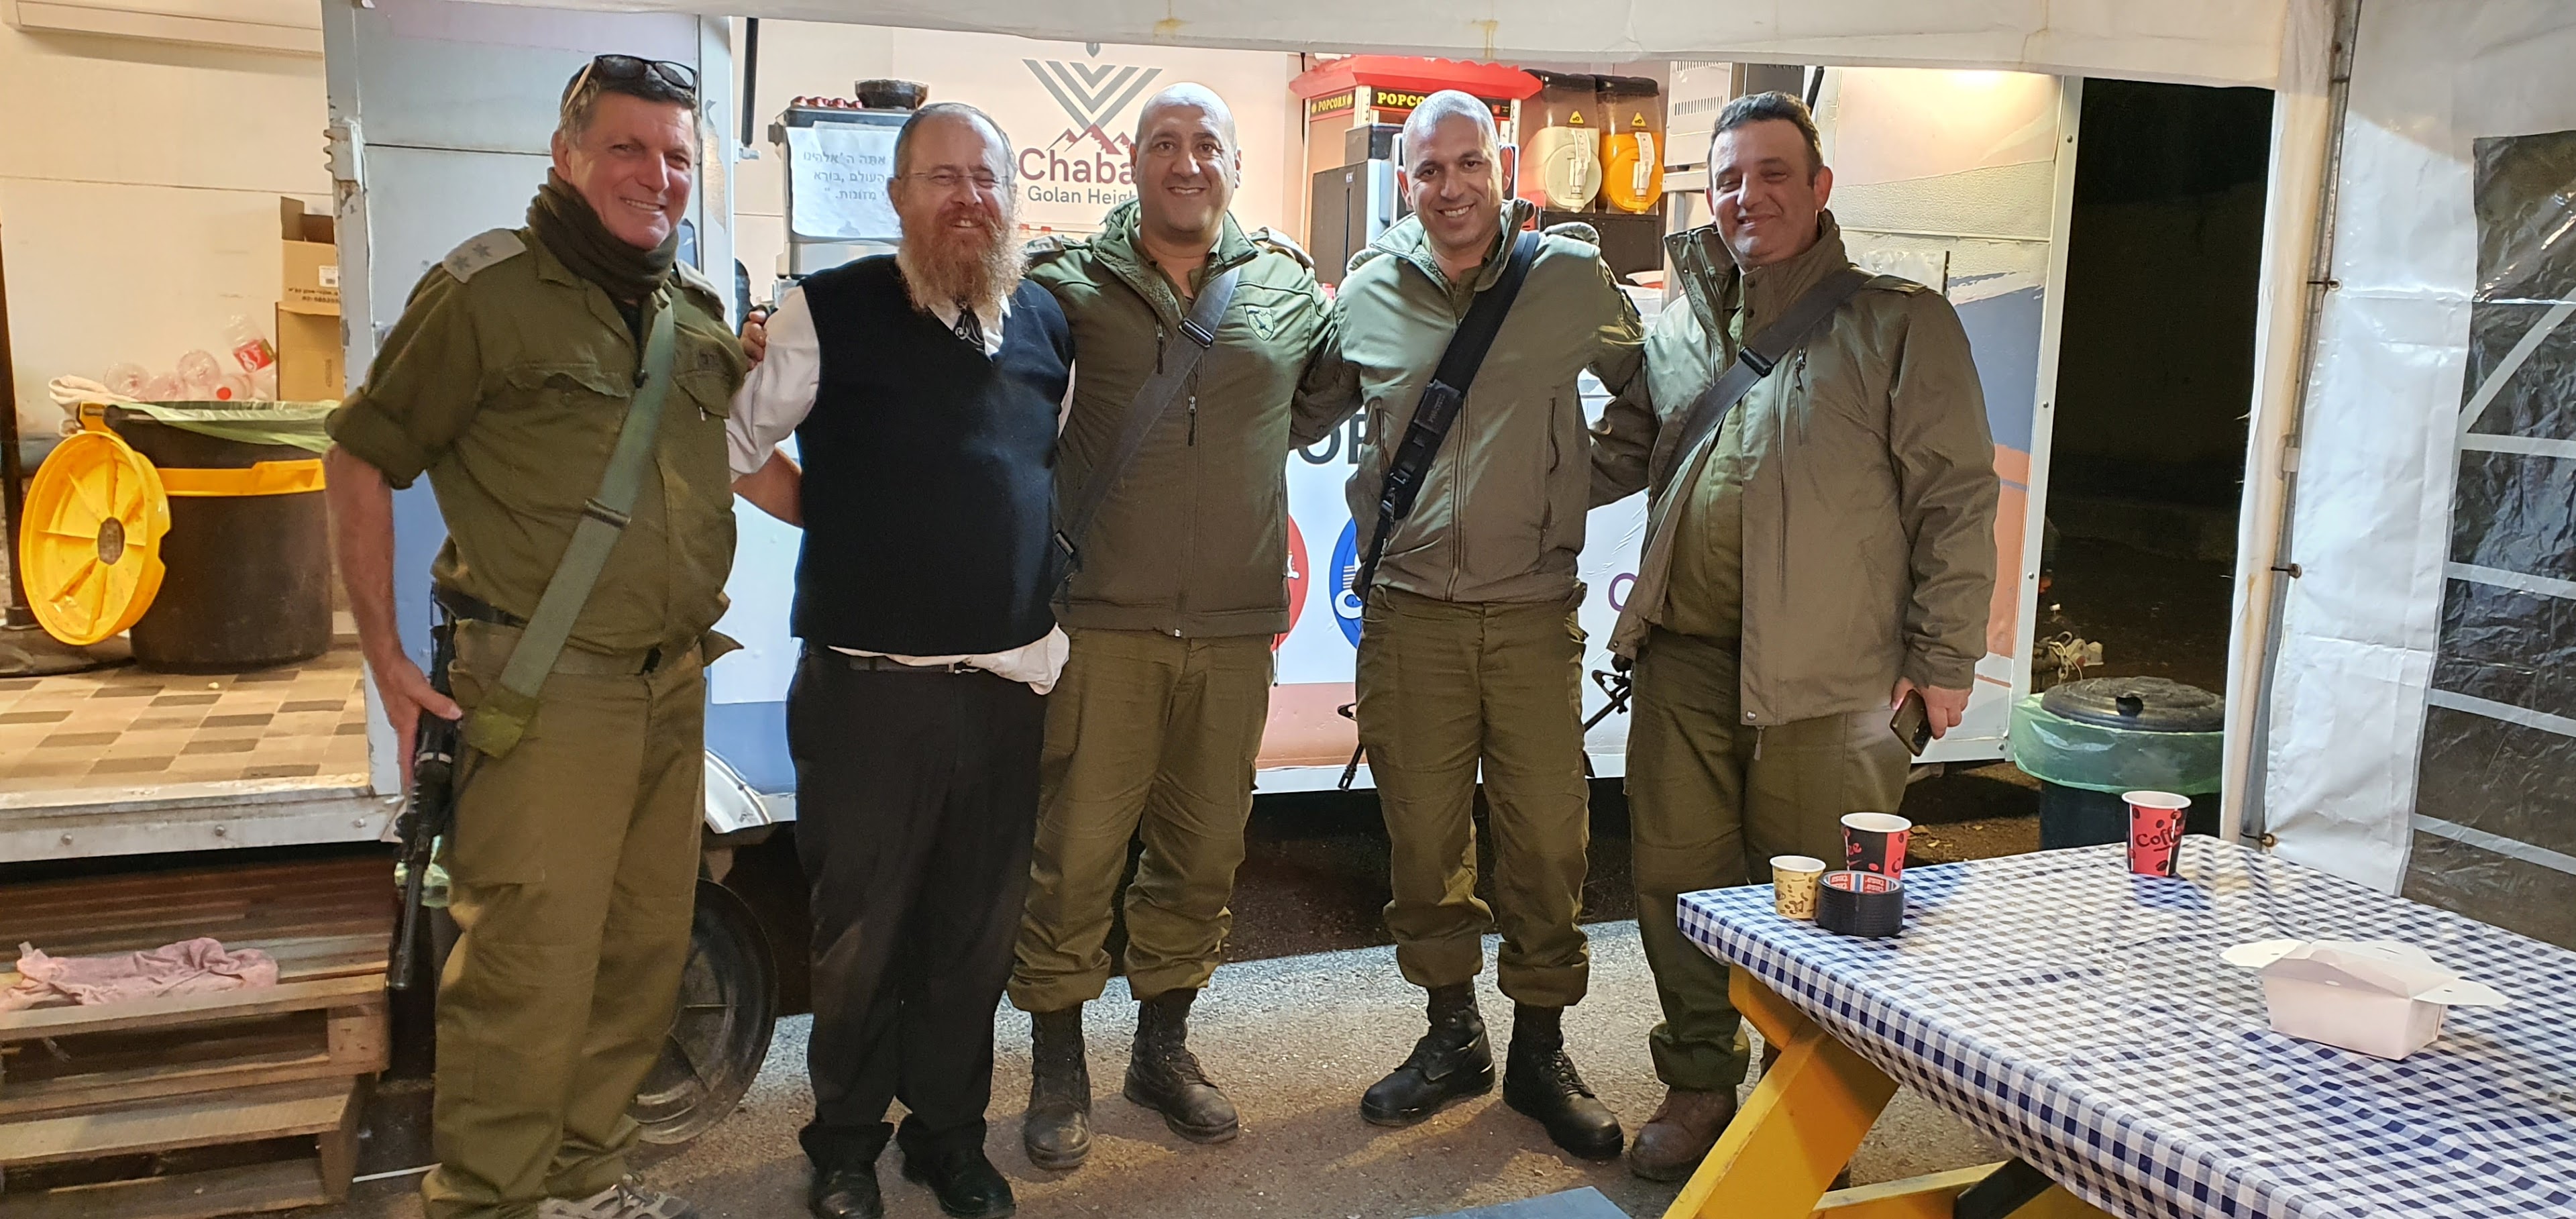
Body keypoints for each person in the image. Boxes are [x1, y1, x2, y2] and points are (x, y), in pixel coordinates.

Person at [323, 55, 743, 1219]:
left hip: (671, 681)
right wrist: (387, 662)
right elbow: (361, 457)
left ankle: (581, 1183)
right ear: (565, 157)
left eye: (672, 154)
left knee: (640, 954)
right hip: (544, 690)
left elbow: (741, 463)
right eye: (625, 147)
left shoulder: (693, 312)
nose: (653, 175)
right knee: (527, 970)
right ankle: (489, 1200)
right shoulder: (484, 295)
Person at [1589, 91, 1998, 1181]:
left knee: (1815, 905)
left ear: (1819, 190)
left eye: (1774, 172)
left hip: (1837, 678)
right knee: (1678, 884)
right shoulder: (1677, 323)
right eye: (1729, 176)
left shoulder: (1899, 320)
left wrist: (1945, 657)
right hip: (1683, 661)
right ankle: (1697, 1083)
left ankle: (1802, 1101)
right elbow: (1617, 450)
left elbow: (1956, 497)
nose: (1747, 194)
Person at [726, 101, 1071, 1219]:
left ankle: (947, 1136)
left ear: (1012, 198)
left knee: (973, 938)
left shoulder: (1046, 325)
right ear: (897, 197)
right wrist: (836, 518)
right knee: (862, 940)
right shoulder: (828, 312)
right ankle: (841, 1148)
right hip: (869, 695)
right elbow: (731, 445)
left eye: (987, 177)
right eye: (941, 177)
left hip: (1006, 693)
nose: (967, 198)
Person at [1008, 83, 1351, 1169]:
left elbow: (1316, 402)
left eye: (1207, 144)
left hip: (1236, 630)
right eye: (1165, 143)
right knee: (1074, 854)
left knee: (1202, 853)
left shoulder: (1288, 292)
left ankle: (1162, 1047)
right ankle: (1057, 1060)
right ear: (1134, 163)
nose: (1186, 161)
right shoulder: (1066, 285)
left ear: (1236, 166)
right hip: (1102, 626)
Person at [1332, 89, 1644, 1161]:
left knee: (1549, 842)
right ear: (1405, 182)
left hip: (1530, 614)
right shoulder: (1369, 292)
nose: (1452, 186)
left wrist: (1568, 488)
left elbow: (1648, 393)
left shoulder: (1566, 279)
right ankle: (1452, 1033)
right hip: (1409, 616)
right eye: (1431, 170)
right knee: (1423, 839)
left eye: (1469, 164)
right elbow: (1294, 408)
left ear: (1501, 167)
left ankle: (1540, 1046)